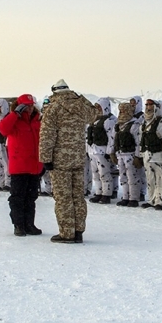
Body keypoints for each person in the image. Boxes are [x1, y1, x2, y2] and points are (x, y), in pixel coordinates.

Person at [40, 79, 97, 244]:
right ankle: (79, 231)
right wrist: (80, 98)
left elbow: (47, 136)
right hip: (78, 159)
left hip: (60, 160)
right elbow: (94, 113)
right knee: (78, 196)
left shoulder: (53, 109)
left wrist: (45, 158)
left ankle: (67, 233)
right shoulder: (81, 107)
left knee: (63, 197)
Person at [0, 94, 43, 237]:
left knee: (31, 197)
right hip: (19, 166)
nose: (29, 109)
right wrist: (15, 114)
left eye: (31, 105)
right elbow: (3, 129)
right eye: (26, 106)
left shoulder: (37, 121)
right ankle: (18, 225)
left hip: (34, 166)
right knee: (17, 197)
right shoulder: (14, 121)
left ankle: (29, 224)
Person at [140, 99, 162, 210]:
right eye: (147, 105)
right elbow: (141, 139)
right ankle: (151, 199)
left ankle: (161, 200)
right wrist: (140, 154)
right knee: (150, 178)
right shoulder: (145, 122)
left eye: (151, 105)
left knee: (161, 178)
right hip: (147, 155)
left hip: (159, 154)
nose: (148, 107)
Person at [113, 102, 144, 207]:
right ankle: (125, 197)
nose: (122, 113)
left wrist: (137, 156)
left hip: (130, 155)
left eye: (124, 111)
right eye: (120, 111)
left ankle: (134, 198)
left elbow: (138, 142)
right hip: (121, 154)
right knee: (123, 177)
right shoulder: (119, 125)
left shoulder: (134, 125)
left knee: (132, 177)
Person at [86, 98, 117, 204]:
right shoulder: (94, 120)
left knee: (104, 173)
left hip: (102, 152)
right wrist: (87, 150)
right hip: (93, 151)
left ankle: (106, 194)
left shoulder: (109, 121)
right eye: (96, 107)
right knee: (95, 174)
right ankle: (98, 192)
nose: (98, 109)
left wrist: (110, 152)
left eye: (100, 107)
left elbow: (111, 138)